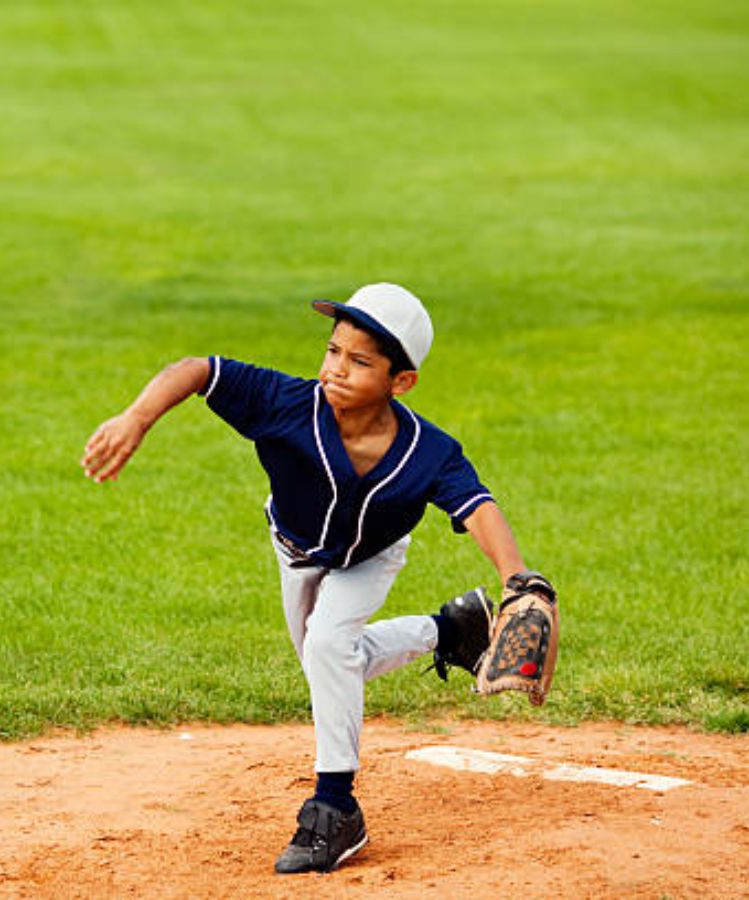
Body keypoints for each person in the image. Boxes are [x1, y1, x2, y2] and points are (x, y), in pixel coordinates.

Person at [81, 283, 538, 874]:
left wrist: (517, 577)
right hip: (294, 549)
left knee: (329, 646)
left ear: (401, 382)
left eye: (360, 361)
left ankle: (335, 807)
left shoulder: (429, 452)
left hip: (372, 556)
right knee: (328, 661)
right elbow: (198, 369)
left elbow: (476, 505)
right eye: (332, 352)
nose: (337, 370)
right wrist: (137, 417)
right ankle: (451, 631)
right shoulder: (287, 403)